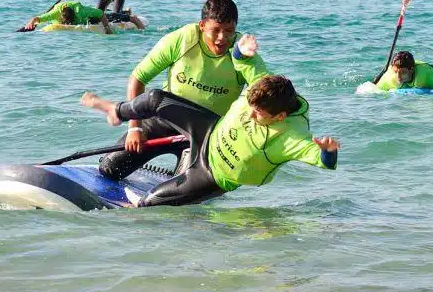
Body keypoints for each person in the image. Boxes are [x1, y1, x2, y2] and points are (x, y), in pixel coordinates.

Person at [81, 74, 340, 207]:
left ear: (281, 116)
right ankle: (116, 109)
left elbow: (322, 162)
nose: (250, 115)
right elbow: (249, 64)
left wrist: (328, 152)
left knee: (152, 203)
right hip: (207, 130)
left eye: (258, 114)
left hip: (211, 174)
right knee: (156, 98)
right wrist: (241, 51)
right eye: (250, 106)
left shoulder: (292, 137)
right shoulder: (265, 87)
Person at [121, 0, 269, 154]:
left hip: (209, 134)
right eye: (216, 30)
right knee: (110, 166)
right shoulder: (181, 40)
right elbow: (137, 79)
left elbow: (267, 90)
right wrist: (134, 128)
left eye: (229, 31)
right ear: (202, 26)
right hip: (167, 119)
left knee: (190, 178)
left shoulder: (242, 51)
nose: (222, 38)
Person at [24, 1, 145, 33]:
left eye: (69, 23)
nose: (68, 25)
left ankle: (130, 17)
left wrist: (108, 29)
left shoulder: (80, 11)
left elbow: (100, 13)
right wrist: (31, 23)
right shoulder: (54, 13)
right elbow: (37, 18)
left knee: (106, 17)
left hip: (92, 16)